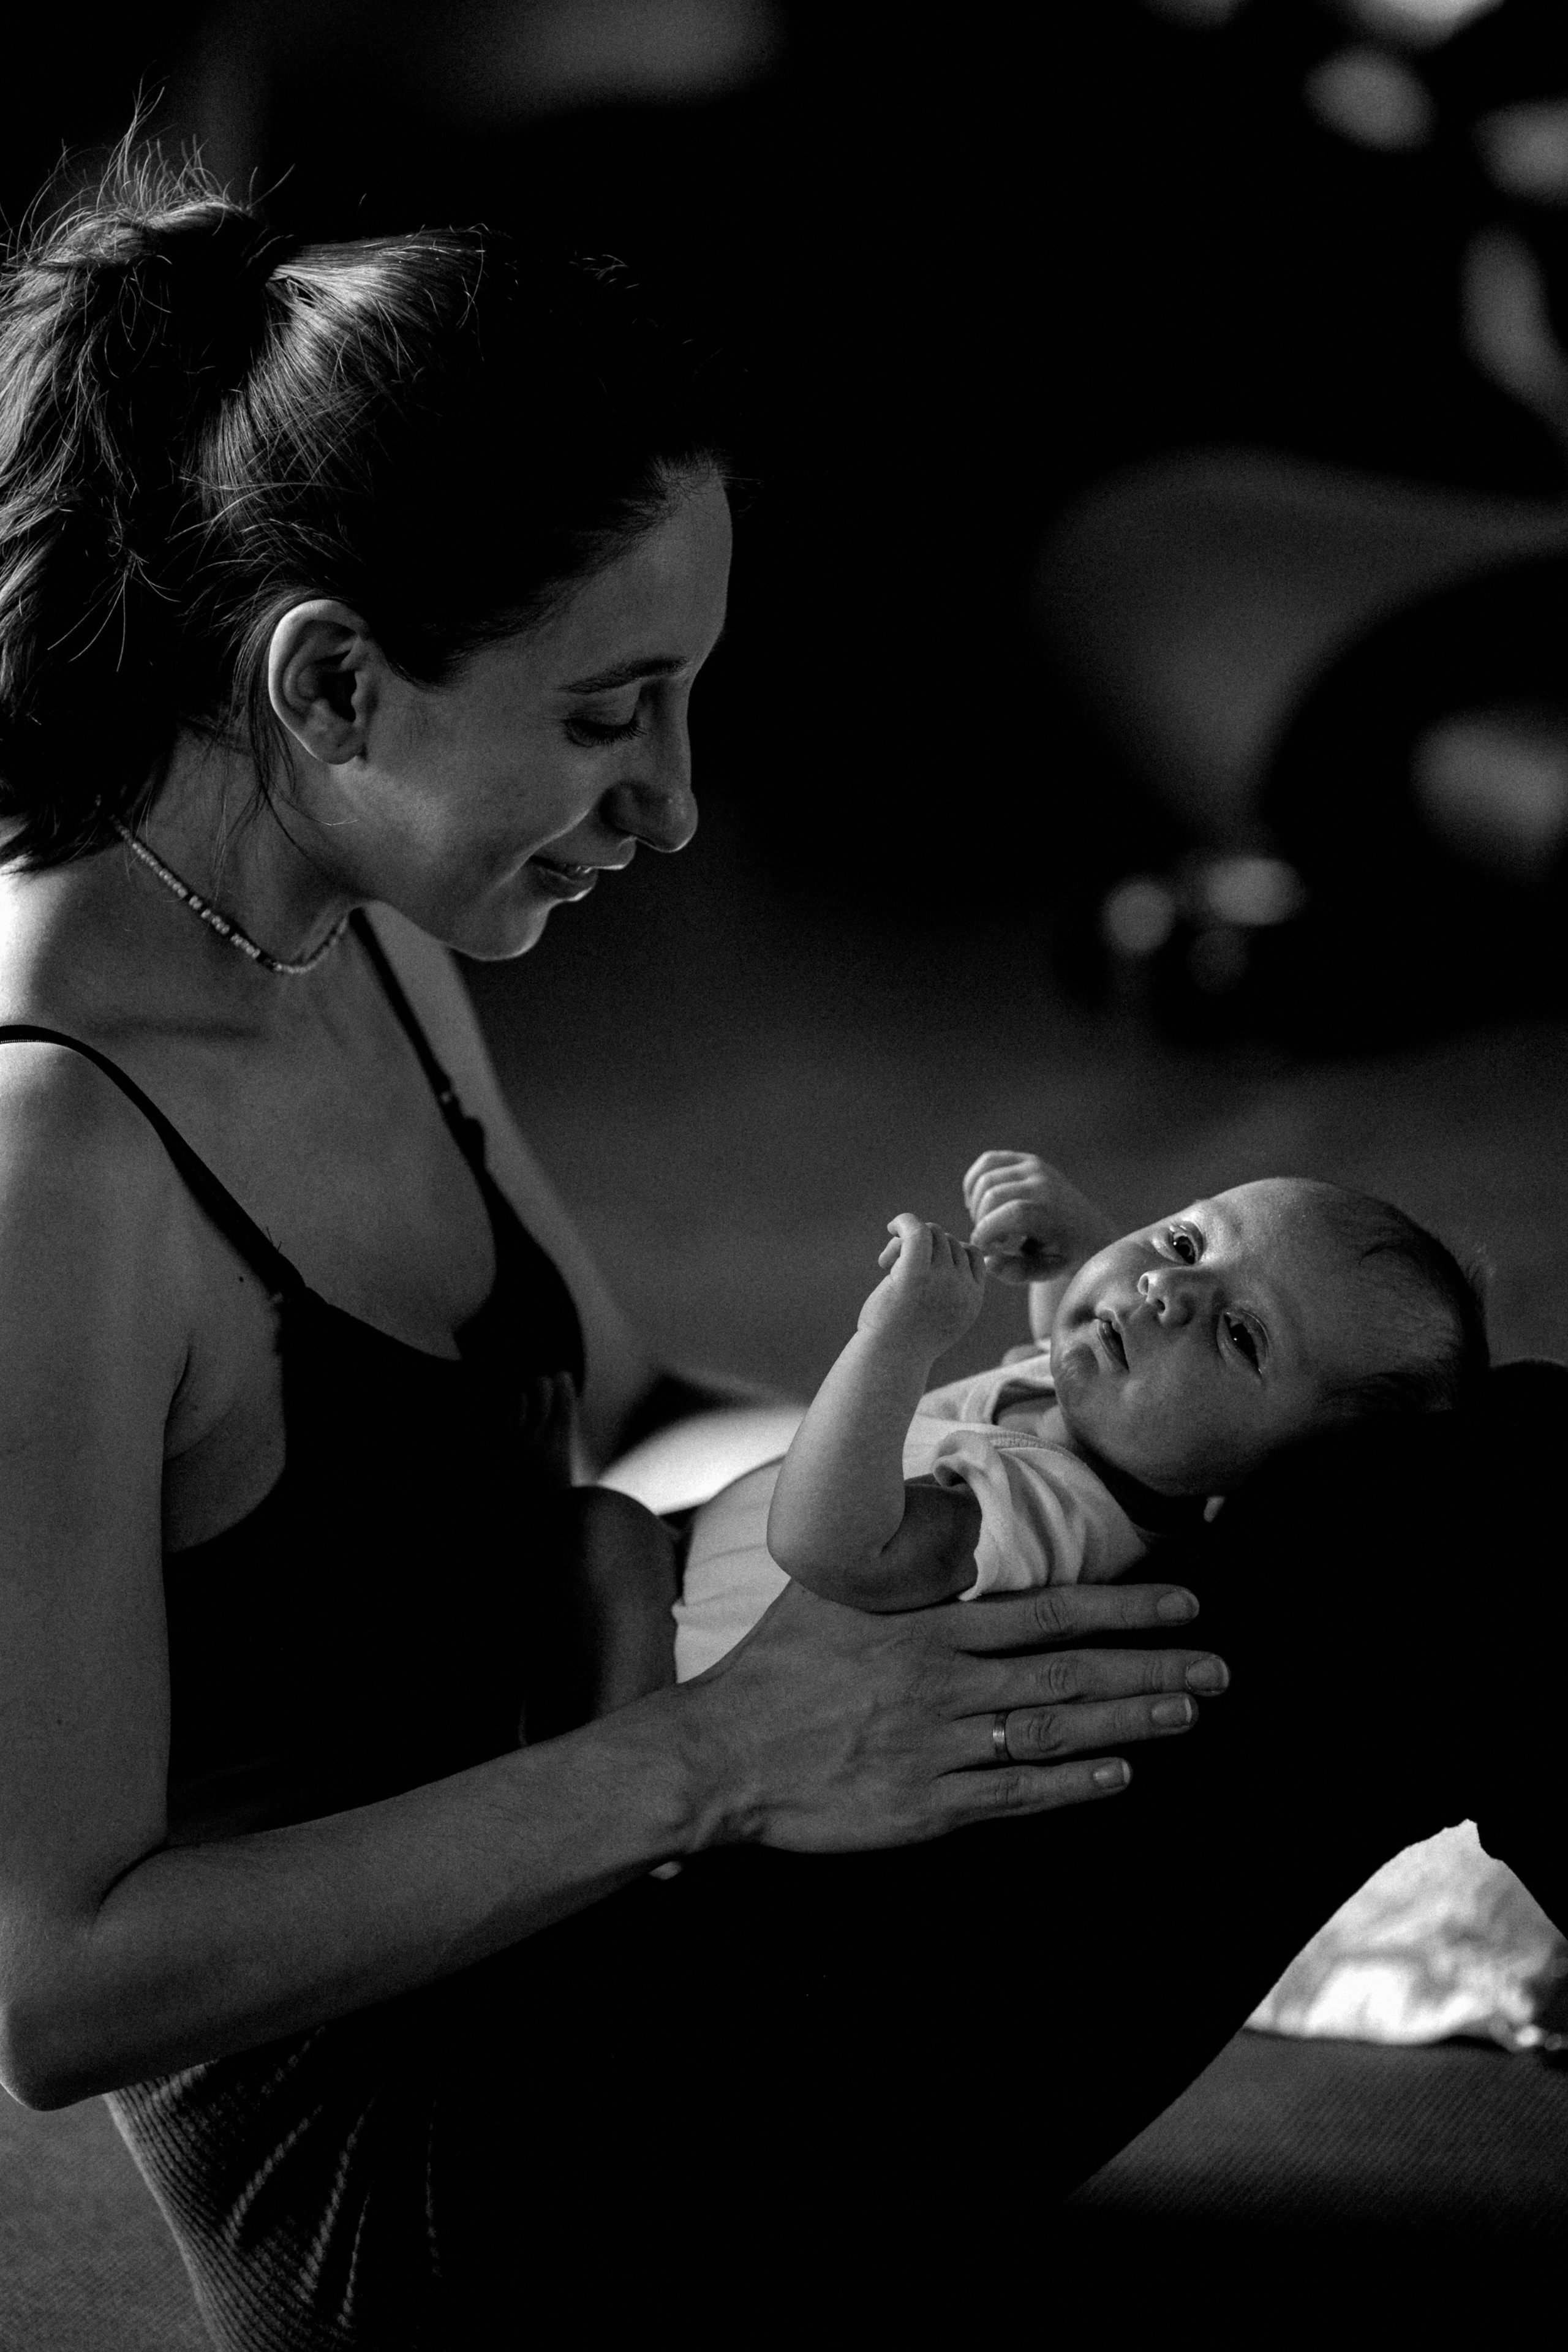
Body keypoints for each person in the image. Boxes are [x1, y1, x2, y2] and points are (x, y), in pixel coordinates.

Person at [0, 146, 1235, 2348]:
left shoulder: (346, 928)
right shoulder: (52, 1162)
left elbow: (636, 1409)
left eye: (682, 701)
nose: (673, 804)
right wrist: (732, 1754)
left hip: (645, 1903)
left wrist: (1030, 1440)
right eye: (604, 716)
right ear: (331, 686)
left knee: (1332, 1475)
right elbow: (61, 1982)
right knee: (1479, 1535)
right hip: (433, 2190)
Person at [674, 1155, 1489, 1676]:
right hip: (686, 1572)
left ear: (1284, 1479)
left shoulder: (1043, 1516)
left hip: (674, 1669)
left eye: (1240, 1335)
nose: (1163, 1290)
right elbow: (1072, 1355)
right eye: (1184, 1245)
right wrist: (1079, 1247)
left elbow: (833, 1547)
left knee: (595, 1537)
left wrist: (892, 1342)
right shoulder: (1118, 1423)